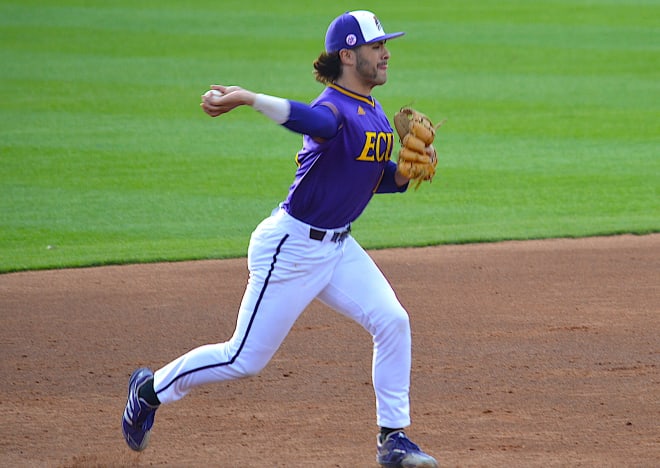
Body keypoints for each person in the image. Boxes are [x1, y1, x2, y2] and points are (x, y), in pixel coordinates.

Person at [122, 10, 438, 468]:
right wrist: (250, 98)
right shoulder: (333, 108)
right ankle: (147, 391)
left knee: (393, 321)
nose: (386, 53)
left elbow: (370, 177)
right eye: (376, 47)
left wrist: (405, 175)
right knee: (243, 358)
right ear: (348, 55)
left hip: (338, 248)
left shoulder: (372, 109)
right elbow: (307, 118)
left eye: (385, 45)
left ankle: (393, 439)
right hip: (290, 249)